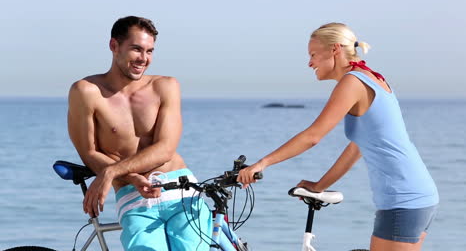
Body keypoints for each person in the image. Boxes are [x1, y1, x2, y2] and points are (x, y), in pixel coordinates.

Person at [238, 23, 439, 251]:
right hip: (417, 195)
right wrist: (320, 185)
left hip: (403, 200)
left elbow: (313, 136)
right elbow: (357, 147)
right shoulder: (370, 77)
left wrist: (262, 164)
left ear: (335, 49)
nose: (310, 62)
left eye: (313, 54)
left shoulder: (353, 82)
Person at [67, 16, 212, 251]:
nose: (144, 59)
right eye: (136, 49)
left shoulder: (165, 86)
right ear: (114, 46)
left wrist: (113, 171)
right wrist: (131, 177)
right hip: (132, 196)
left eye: (150, 51)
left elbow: (165, 148)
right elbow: (88, 152)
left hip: (180, 190)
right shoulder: (86, 91)